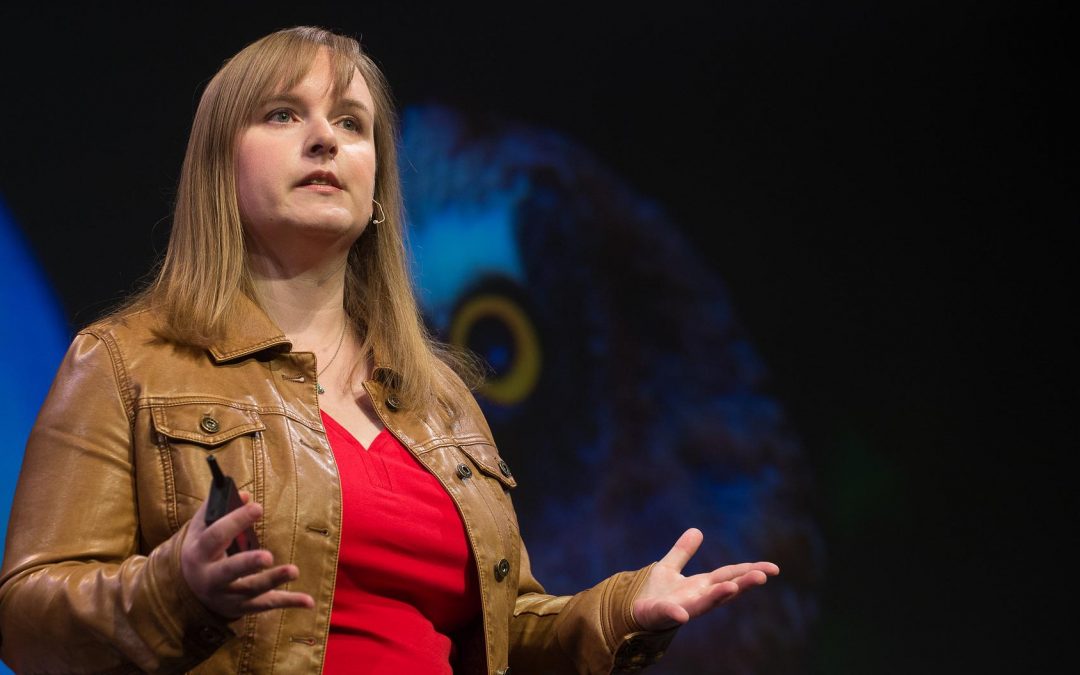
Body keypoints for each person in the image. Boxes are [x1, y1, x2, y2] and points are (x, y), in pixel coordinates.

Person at [0, 26, 778, 674]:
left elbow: (504, 631)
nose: (323, 140)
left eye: (350, 122)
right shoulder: (126, 362)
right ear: (217, 169)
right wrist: (176, 586)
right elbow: (27, 621)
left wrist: (619, 609)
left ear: (376, 185)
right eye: (281, 114)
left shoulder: (439, 400)